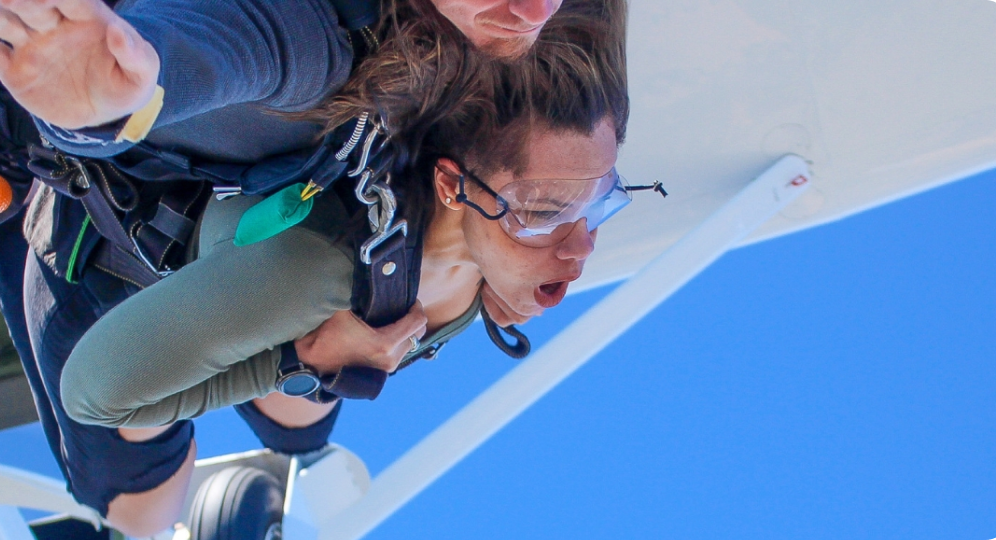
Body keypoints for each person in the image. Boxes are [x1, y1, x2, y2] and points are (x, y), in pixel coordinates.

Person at [45, 0, 634, 534]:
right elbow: (93, 396)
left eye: (600, 199)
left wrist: (518, 245)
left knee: (303, 424)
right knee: (144, 512)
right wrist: (302, 360)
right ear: (452, 187)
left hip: (266, 283)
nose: (580, 247)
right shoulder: (312, 274)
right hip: (96, 257)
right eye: (543, 211)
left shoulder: (496, 223)